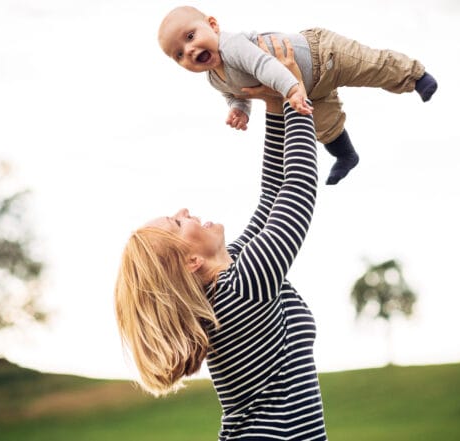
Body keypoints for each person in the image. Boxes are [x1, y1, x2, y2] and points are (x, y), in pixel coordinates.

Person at [115, 39, 328, 440]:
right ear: (192, 262)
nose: (183, 211)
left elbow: (272, 197)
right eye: (177, 224)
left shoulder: (230, 285)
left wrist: (275, 103)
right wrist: (295, 92)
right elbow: (297, 192)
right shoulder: (242, 290)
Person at [158, 5, 438, 185]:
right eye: (179, 54)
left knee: (371, 66)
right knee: (324, 126)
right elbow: (236, 93)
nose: (190, 51)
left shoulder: (232, 46)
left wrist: (292, 89)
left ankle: (415, 77)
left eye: (191, 37)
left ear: (213, 25)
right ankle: (346, 156)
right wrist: (239, 109)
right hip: (308, 89)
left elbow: (264, 65)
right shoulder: (213, 78)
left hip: (322, 54)